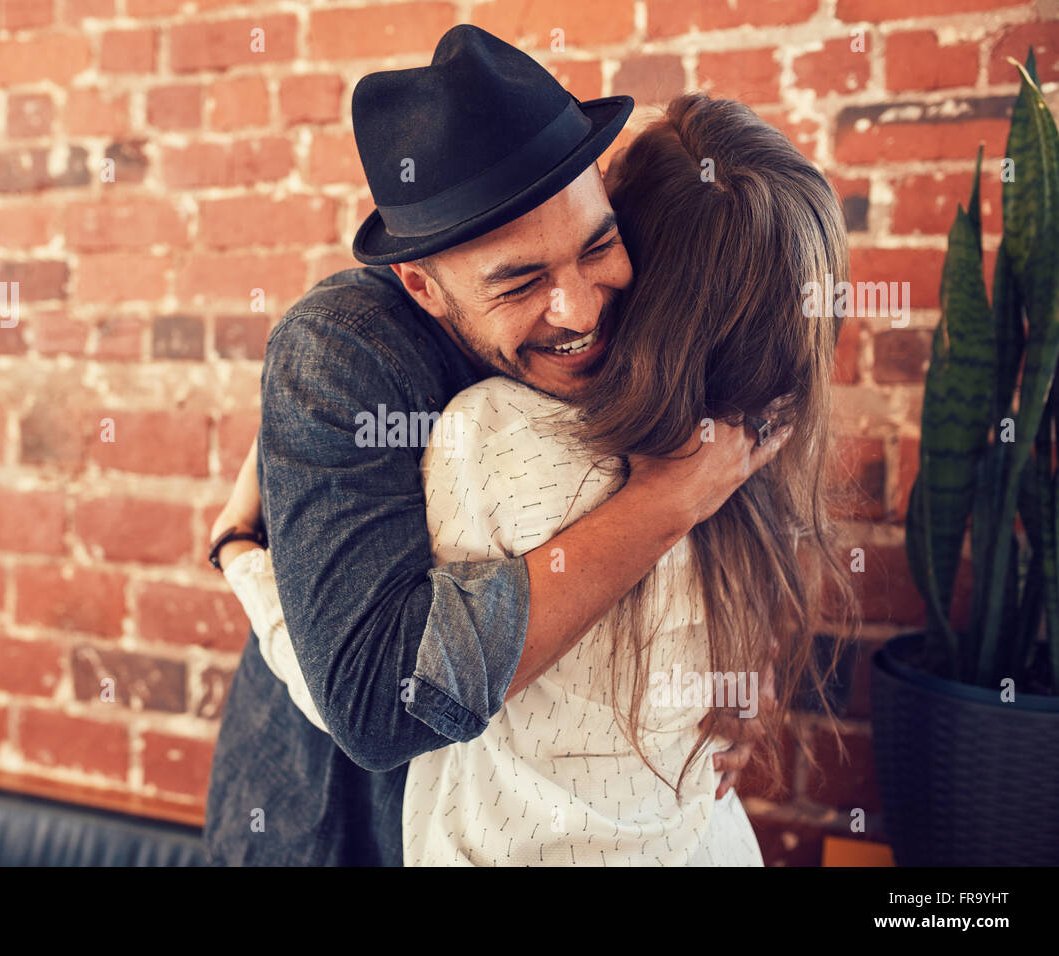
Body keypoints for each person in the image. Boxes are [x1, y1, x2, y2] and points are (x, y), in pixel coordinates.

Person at [221, 92, 857, 865]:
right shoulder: (347, 352)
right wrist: (668, 500)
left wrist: (733, 666)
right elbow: (379, 702)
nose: (581, 310)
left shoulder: (698, 396)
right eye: (520, 282)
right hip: (331, 817)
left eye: (599, 246)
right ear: (423, 286)